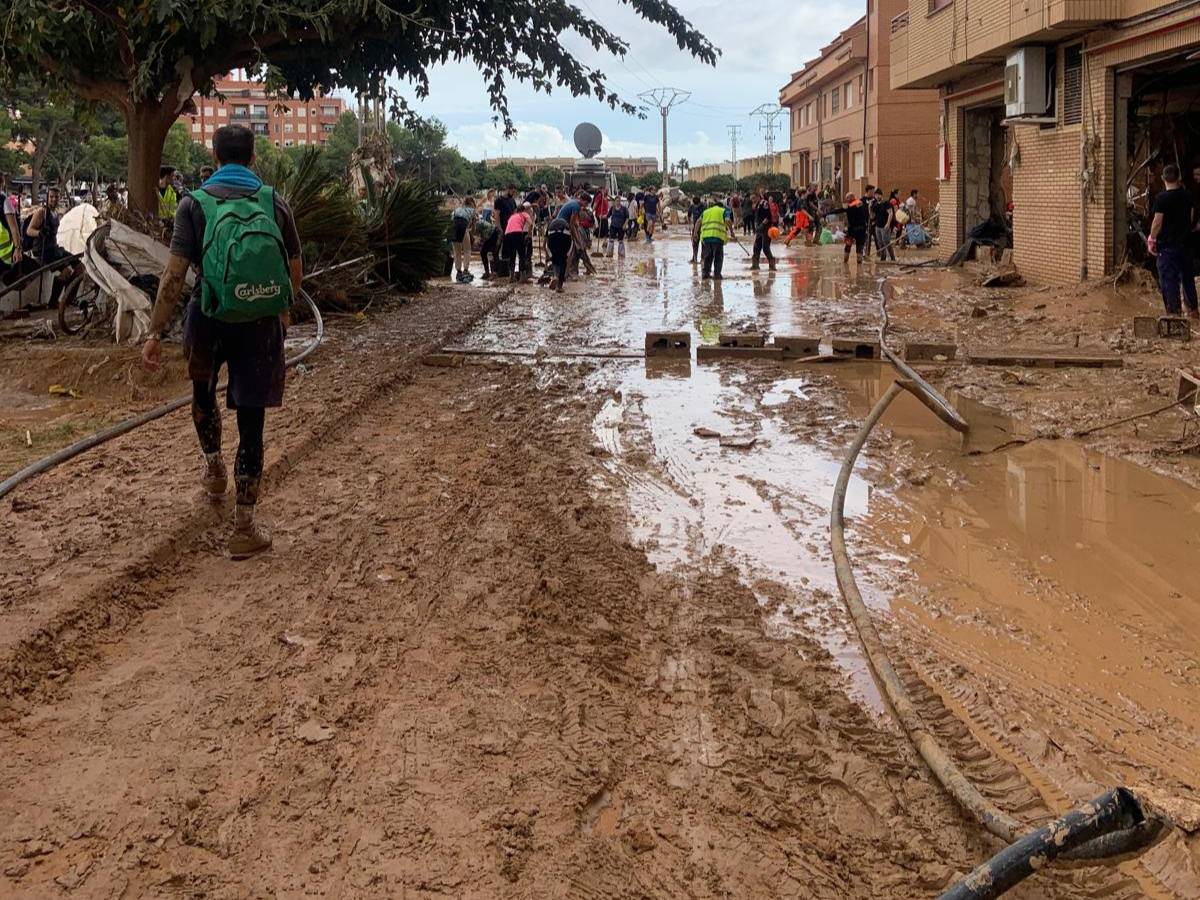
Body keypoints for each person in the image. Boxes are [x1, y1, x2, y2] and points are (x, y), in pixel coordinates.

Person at [142, 123, 302, 559]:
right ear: (253, 159)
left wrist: (155, 332)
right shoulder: (274, 202)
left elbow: (174, 274)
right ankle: (244, 526)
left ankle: (213, 468)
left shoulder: (193, 204)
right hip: (260, 322)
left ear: (214, 159)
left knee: (202, 392)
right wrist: (282, 313)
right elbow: (294, 264)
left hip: (208, 316)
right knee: (252, 420)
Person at [1148, 164, 1199, 319]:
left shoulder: (1161, 199)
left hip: (1168, 248)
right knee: (1188, 278)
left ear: (1163, 179)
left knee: (1169, 280)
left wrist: (1152, 238)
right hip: (1186, 245)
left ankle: (1174, 315)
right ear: (1179, 178)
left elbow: (1157, 222)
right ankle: (1193, 311)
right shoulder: (1188, 196)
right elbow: (1191, 218)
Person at [696, 197, 733, 280]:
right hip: (717, 237)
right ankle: (717, 274)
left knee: (708, 256)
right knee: (718, 257)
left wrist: (695, 233)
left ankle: (705, 274)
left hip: (706, 237)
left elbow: (698, 221)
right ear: (721, 207)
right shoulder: (723, 211)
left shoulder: (706, 211)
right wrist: (732, 232)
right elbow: (727, 220)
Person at [829, 192, 870, 264]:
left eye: (847, 198)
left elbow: (839, 210)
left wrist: (826, 213)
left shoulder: (849, 206)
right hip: (862, 229)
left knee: (848, 247)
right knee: (859, 248)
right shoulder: (861, 203)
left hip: (852, 230)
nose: (846, 199)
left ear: (851, 197)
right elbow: (867, 214)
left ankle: (845, 262)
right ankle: (859, 264)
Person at [0, 178, 24, 284]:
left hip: (4, 255)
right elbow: (14, 227)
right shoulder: (4, 201)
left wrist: (17, 248)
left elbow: (14, 227)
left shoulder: (4, 201)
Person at [502, 201, 533, 283]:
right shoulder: (524, 214)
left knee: (512, 256)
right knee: (521, 255)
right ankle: (522, 277)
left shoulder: (512, 216)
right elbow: (531, 224)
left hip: (507, 234)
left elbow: (509, 225)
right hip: (517, 233)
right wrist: (528, 235)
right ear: (523, 210)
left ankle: (511, 277)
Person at [450, 196, 475, 282]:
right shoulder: (472, 211)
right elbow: (470, 225)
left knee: (457, 251)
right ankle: (465, 270)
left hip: (453, 227)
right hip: (464, 227)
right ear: (472, 204)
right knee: (467, 250)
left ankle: (458, 271)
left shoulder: (456, 210)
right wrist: (471, 236)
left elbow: (451, 219)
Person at [750, 190, 776, 271]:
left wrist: (762, 225)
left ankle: (772, 265)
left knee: (765, 248)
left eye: (754, 198)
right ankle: (755, 265)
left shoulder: (764, 203)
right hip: (759, 230)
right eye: (751, 199)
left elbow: (768, 216)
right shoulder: (757, 205)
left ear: (758, 197)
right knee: (756, 247)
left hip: (766, 229)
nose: (753, 200)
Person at [546, 216, 572, 292]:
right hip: (565, 236)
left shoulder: (550, 224)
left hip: (552, 236)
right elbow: (571, 243)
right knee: (563, 261)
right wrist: (567, 255)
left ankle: (555, 276)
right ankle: (559, 286)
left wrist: (550, 257)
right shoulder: (566, 223)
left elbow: (546, 245)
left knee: (554, 259)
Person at [872, 187, 896, 261]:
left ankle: (892, 257)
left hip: (885, 226)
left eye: (878, 195)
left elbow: (890, 213)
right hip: (878, 226)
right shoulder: (875, 205)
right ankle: (883, 257)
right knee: (880, 242)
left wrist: (888, 224)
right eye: (876, 195)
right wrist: (869, 208)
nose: (877, 196)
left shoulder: (886, 203)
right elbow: (872, 216)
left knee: (886, 241)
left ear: (881, 195)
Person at [476, 212, 501, 279]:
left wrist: (479, 244)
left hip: (495, 234)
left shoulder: (478, 224)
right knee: (483, 252)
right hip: (491, 235)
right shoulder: (478, 223)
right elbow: (481, 237)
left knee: (492, 253)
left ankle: (494, 273)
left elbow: (483, 237)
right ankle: (487, 272)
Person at [158, 166, 178, 232]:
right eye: (173, 176)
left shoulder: (172, 192)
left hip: (167, 227)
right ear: (166, 177)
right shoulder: (154, 190)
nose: (175, 178)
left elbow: (173, 211)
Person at [687, 195, 704, 262]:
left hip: (702, 226)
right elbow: (689, 215)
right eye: (695, 205)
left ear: (700, 203)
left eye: (697, 205)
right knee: (695, 243)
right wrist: (690, 224)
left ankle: (703, 258)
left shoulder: (703, 206)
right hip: (695, 226)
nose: (696, 206)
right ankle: (694, 257)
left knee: (703, 243)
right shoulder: (692, 206)